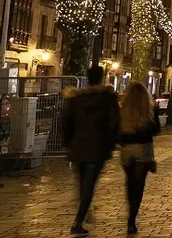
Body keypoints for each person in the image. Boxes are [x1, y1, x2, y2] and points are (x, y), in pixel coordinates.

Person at [63, 66, 119, 237]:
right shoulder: (107, 98)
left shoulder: (75, 99)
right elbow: (114, 123)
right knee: (89, 185)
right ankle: (78, 221)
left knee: (82, 184)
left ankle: (83, 213)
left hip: (79, 147)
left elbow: (66, 124)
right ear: (102, 78)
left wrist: (69, 144)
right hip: (97, 147)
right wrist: (110, 145)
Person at [118, 82, 161, 236]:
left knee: (129, 182)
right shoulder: (149, 110)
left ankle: (130, 209)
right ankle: (132, 218)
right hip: (143, 149)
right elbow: (156, 130)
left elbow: (117, 130)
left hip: (126, 149)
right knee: (139, 184)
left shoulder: (123, 110)